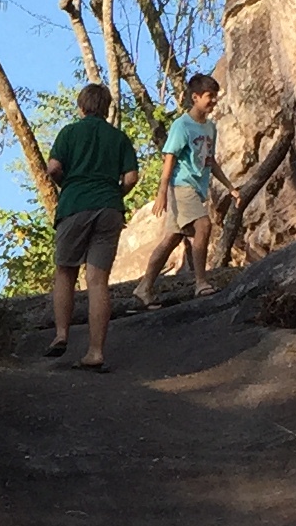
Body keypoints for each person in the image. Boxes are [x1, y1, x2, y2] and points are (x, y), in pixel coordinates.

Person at [42, 82, 138, 372]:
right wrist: (113, 195)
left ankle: (61, 334)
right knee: (97, 281)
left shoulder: (70, 132)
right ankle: (95, 352)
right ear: (106, 108)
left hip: (74, 204)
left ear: (81, 106)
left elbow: (54, 168)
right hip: (109, 208)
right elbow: (131, 177)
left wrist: (68, 187)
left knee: (65, 270)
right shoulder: (118, 138)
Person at [135, 72, 222, 304]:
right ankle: (201, 282)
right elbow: (170, 157)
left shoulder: (210, 128)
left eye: (215, 96)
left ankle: (144, 287)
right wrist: (162, 192)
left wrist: (230, 187)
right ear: (195, 97)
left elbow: (210, 161)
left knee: (172, 238)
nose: (213, 101)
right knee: (203, 225)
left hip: (196, 187)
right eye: (209, 96)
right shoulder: (182, 125)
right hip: (181, 186)